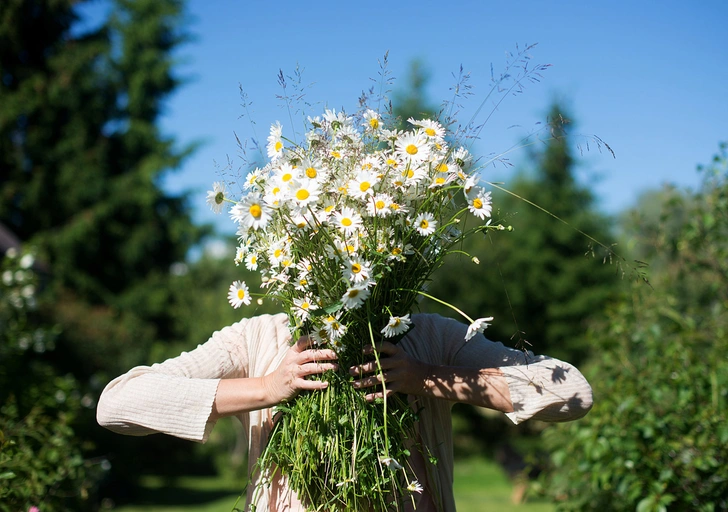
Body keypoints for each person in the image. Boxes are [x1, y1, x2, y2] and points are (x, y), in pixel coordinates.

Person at [97, 312, 593, 511]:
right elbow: (117, 404)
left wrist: (424, 377)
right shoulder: (259, 336)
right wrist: (269, 386)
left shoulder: (428, 334)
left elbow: (572, 390)